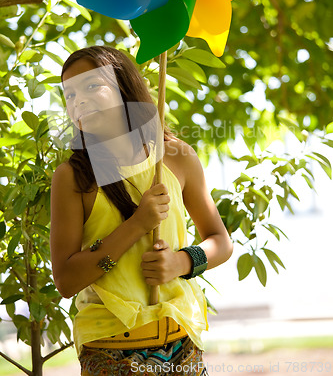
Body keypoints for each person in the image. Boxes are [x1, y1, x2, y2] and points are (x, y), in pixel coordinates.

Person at [50, 45, 233, 376]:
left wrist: (181, 262)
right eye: (69, 93)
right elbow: (66, 280)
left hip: (182, 340)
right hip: (109, 348)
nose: (78, 99)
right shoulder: (73, 176)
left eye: (92, 85)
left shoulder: (175, 155)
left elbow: (220, 240)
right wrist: (137, 225)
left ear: (123, 87)